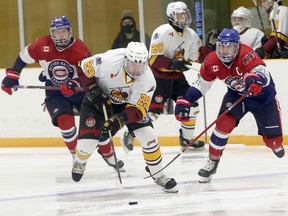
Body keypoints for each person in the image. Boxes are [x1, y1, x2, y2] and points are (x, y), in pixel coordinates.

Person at [174, 28, 285, 183]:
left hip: (263, 99)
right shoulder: (212, 61)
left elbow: (263, 73)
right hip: (237, 96)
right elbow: (201, 85)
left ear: (237, 46)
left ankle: (274, 143)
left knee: (274, 142)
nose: (224, 51)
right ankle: (213, 161)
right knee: (223, 124)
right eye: (221, 46)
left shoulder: (246, 55)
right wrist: (187, 100)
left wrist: (255, 79)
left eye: (229, 47)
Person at [71, 41, 178, 193]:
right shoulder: (109, 60)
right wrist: (93, 89)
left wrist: (119, 120)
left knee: (149, 136)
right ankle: (80, 162)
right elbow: (82, 67)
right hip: (98, 101)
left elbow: (138, 110)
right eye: (133, 64)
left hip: (126, 106)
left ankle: (158, 174)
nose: (136, 69)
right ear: (126, 60)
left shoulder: (148, 81)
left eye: (141, 65)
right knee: (87, 144)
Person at [1, 16, 93, 161]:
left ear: (70, 32)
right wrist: (13, 75)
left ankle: (108, 154)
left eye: (64, 31)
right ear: (52, 33)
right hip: (56, 92)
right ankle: (77, 158)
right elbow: (24, 56)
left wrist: (75, 84)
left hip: (78, 91)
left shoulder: (79, 48)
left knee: (95, 122)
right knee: (65, 124)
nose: (61, 35)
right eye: (57, 32)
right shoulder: (42, 45)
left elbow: (90, 73)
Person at [121, 1, 205, 153]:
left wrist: (210, 51)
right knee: (153, 113)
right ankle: (131, 132)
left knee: (192, 106)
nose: (184, 17)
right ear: (171, 16)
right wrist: (173, 63)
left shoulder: (191, 34)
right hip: (158, 78)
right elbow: (153, 59)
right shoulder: (162, 32)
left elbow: (196, 57)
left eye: (185, 14)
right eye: (180, 14)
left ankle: (186, 139)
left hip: (177, 78)